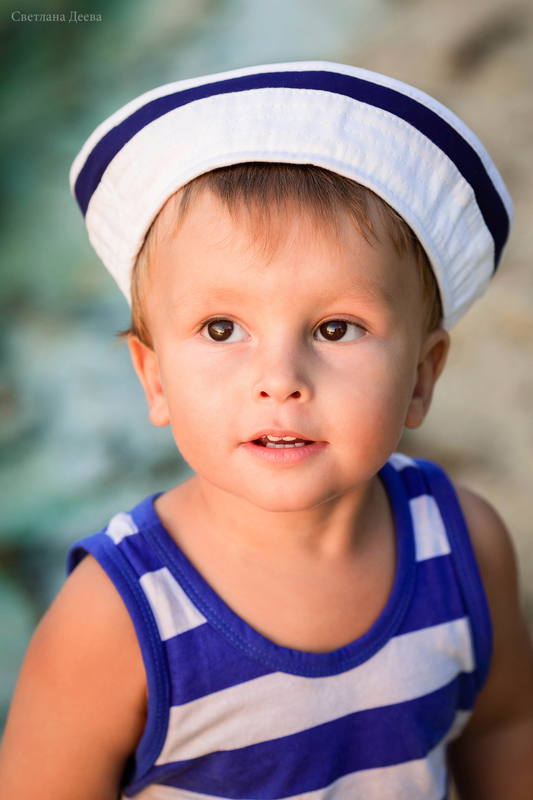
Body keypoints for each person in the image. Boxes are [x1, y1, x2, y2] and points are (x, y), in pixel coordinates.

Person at [0, 61, 532, 800]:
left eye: (336, 328)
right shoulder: (117, 617)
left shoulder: (462, 545)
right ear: (154, 379)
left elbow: (503, 729)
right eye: (222, 328)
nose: (280, 378)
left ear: (421, 375)